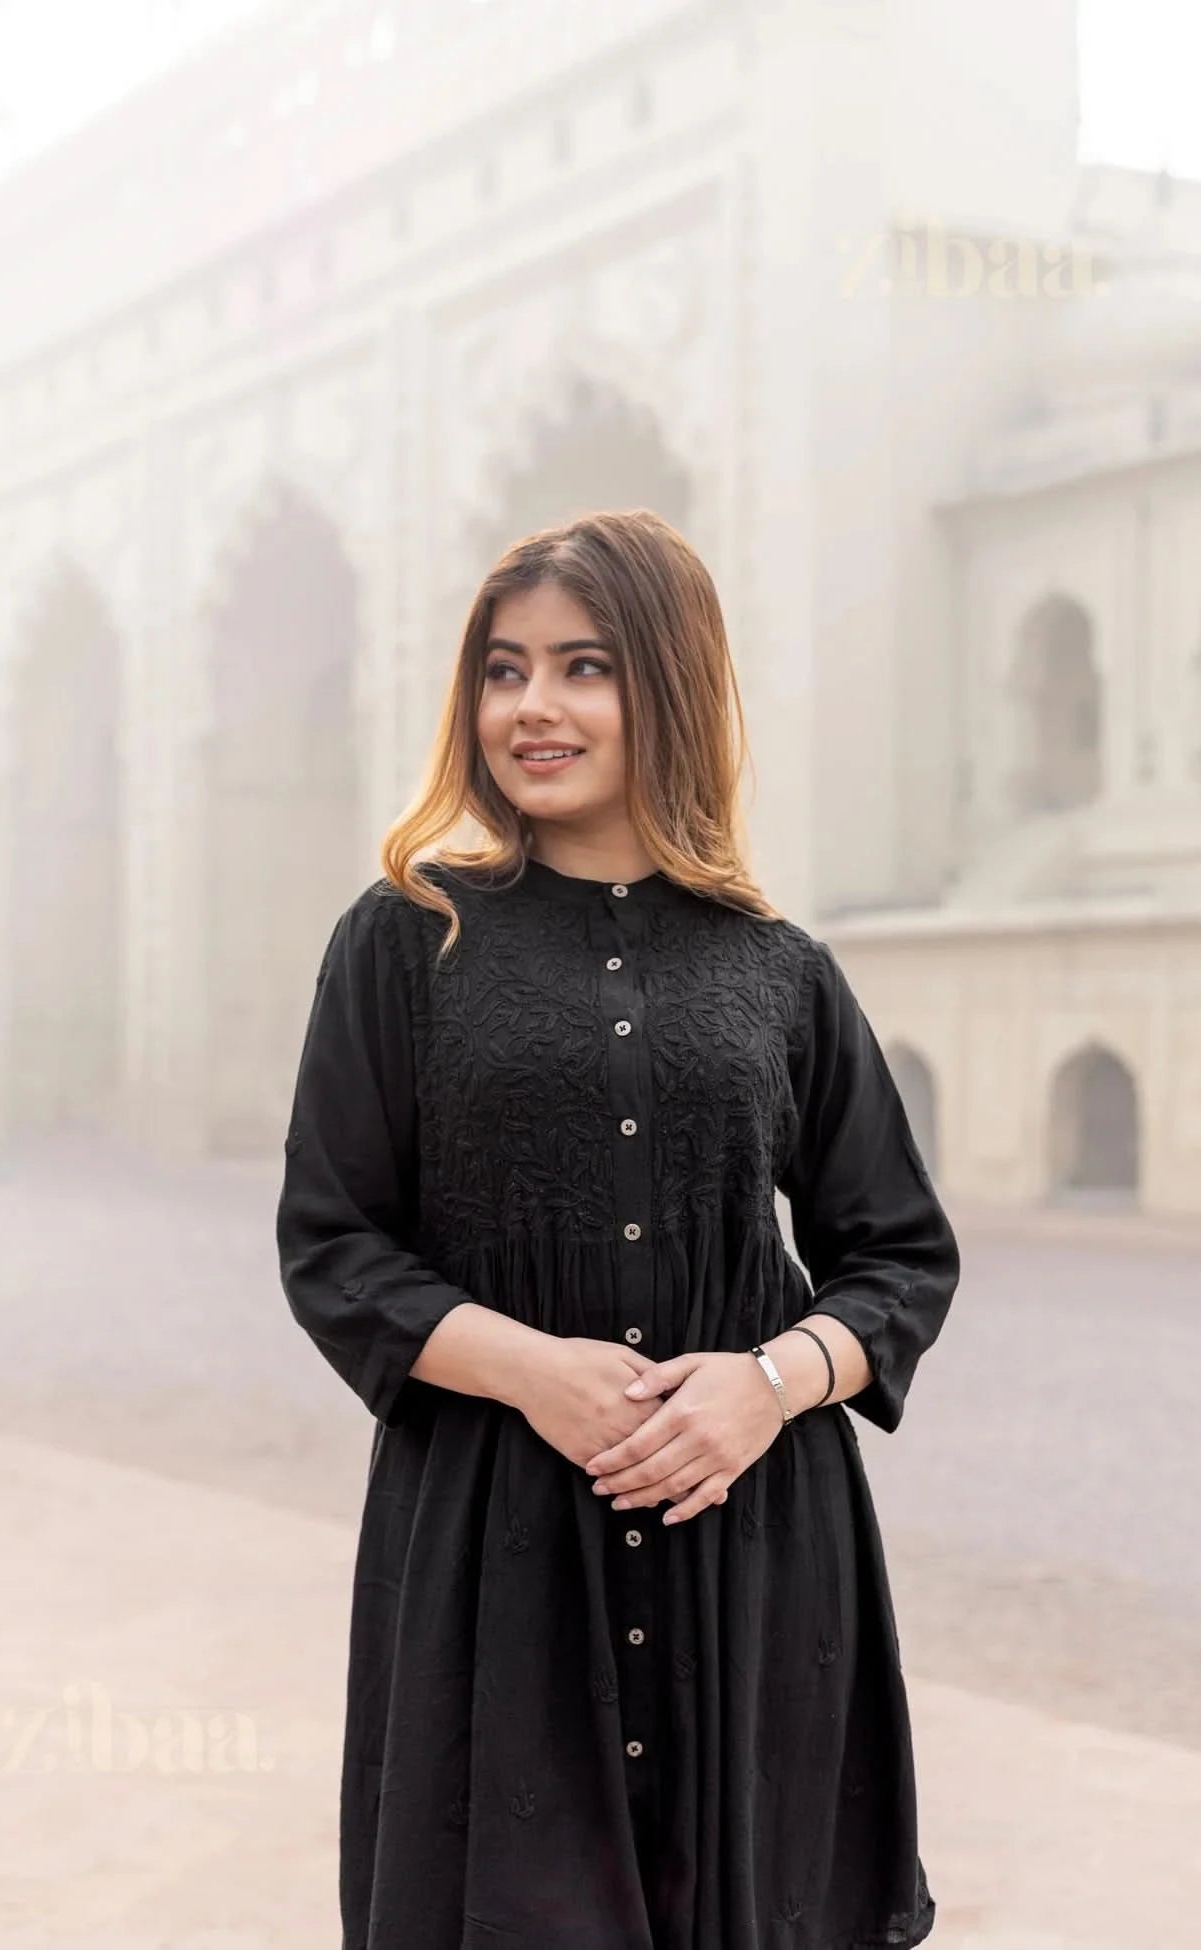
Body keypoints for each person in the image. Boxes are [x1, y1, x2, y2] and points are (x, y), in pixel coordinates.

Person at [275, 507, 960, 1950]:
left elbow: (898, 1250)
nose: (535, 706)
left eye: (585, 666)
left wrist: (765, 1384)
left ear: (669, 680)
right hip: (499, 1550)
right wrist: (532, 1367)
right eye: (505, 668)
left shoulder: (778, 966)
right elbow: (333, 1242)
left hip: (754, 1541)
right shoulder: (406, 938)